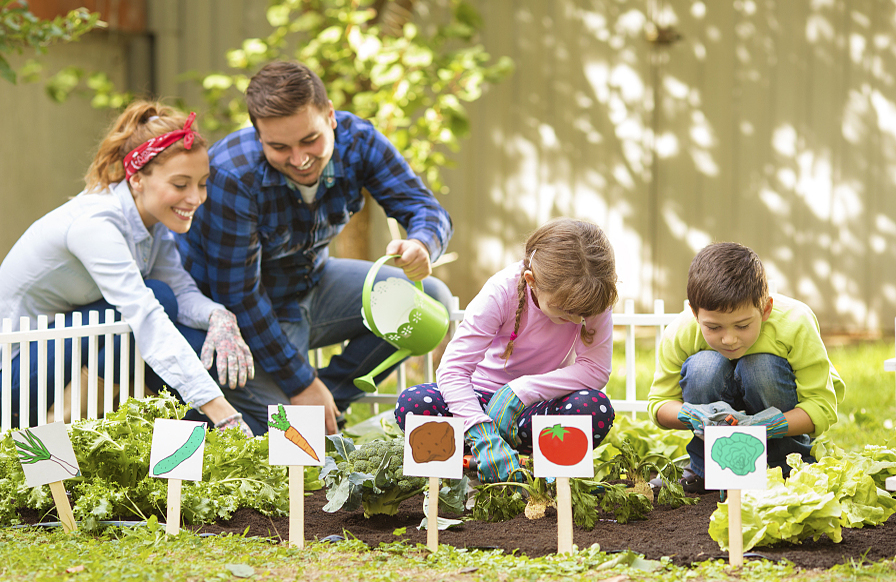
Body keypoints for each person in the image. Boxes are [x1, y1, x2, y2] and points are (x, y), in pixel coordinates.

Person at [178, 61, 454, 435]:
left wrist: (423, 242)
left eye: (310, 140)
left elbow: (424, 208)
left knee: (431, 300)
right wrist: (300, 382)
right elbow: (239, 294)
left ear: (330, 116)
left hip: (313, 282)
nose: (299, 158)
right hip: (248, 317)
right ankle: (285, 403)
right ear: (258, 134)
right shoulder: (232, 172)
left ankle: (328, 399)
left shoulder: (361, 142)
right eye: (279, 146)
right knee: (281, 437)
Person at [0, 101, 254, 435]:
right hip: (9, 381)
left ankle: (181, 432)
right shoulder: (96, 223)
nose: (196, 198)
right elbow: (144, 313)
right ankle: (58, 432)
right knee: (154, 302)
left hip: (60, 359)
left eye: (202, 184)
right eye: (181, 184)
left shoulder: (153, 225)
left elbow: (182, 291)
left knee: (195, 340)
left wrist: (218, 316)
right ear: (138, 179)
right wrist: (218, 408)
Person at [394, 218, 619, 483]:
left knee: (594, 407)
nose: (576, 320)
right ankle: (478, 459)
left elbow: (595, 369)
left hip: (534, 409)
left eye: (583, 315)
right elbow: (453, 369)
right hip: (479, 401)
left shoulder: (593, 295)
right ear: (531, 280)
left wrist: (520, 392)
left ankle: (535, 473)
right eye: (565, 311)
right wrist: (481, 431)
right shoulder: (502, 291)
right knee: (414, 403)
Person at [647, 242, 845, 492]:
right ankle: (705, 469)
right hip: (711, 442)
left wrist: (767, 425)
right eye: (714, 327)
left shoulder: (796, 323)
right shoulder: (681, 331)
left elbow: (821, 408)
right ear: (695, 314)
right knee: (703, 367)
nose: (729, 339)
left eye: (742, 326)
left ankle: (783, 466)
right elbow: (659, 404)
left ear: (766, 309)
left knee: (760, 367)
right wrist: (695, 415)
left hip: (783, 434)